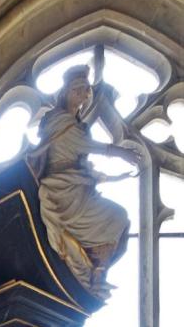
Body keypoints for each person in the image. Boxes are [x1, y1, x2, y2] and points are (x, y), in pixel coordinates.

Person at [31, 65, 141, 297]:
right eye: (77, 90)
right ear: (66, 92)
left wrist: (110, 177)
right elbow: (83, 145)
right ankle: (93, 271)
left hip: (78, 188)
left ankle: (98, 271)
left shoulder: (76, 123)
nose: (82, 95)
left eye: (85, 90)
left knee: (120, 219)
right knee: (118, 216)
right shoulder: (59, 121)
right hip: (61, 192)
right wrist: (119, 152)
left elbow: (82, 163)